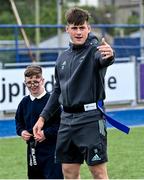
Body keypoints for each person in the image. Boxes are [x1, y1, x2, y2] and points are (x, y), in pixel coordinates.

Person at [33, 7, 115, 179]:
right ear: (67, 29)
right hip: (66, 121)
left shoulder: (95, 51)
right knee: (69, 173)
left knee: (99, 174)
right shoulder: (62, 57)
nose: (79, 32)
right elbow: (57, 91)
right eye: (74, 27)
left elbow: (104, 59)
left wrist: (109, 55)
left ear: (88, 28)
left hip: (91, 119)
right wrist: (43, 118)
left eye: (82, 27)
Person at [15, 65, 63, 179]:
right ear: (25, 83)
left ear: (42, 81)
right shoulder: (24, 103)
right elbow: (18, 122)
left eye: (36, 82)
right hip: (32, 152)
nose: (33, 85)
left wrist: (46, 133)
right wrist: (22, 132)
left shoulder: (52, 102)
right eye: (29, 83)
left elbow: (61, 125)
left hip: (52, 151)